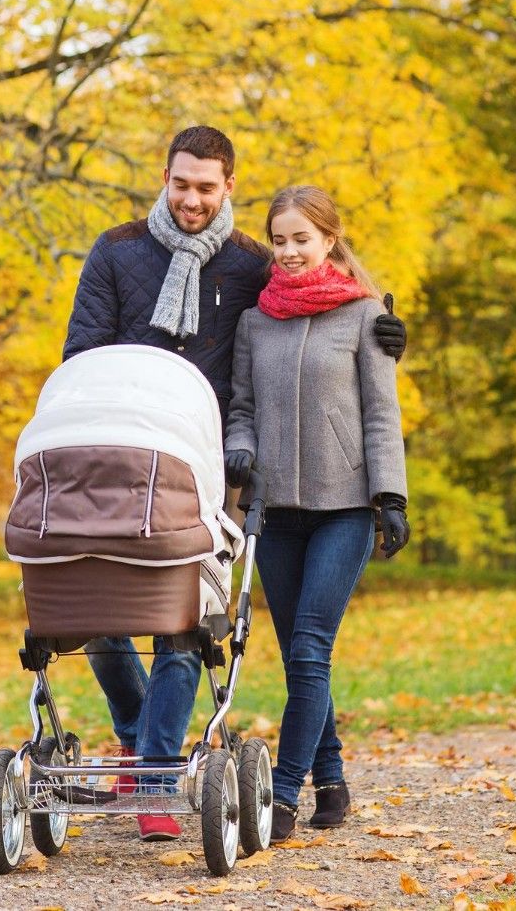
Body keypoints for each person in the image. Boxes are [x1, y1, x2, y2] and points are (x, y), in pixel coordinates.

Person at [62, 128, 407, 840]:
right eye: (182, 184)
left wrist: (387, 336)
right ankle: (137, 736)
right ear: (165, 177)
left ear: (227, 189)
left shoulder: (250, 264)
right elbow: (81, 353)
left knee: (191, 627)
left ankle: (160, 774)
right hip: (121, 458)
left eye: (206, 187)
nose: (192, 199)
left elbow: (316, 291)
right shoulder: (116, 251)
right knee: (99, 618)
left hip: (209, 473)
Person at [223, 184, 410, 842]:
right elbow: (240, 408)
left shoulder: (366, 317)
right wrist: (239, 450)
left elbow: (382, 414)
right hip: (274, 509)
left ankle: (282, 794)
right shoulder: (254, 322)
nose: (290, 251)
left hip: (345, 506)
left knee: (308, 648)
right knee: (304, 656)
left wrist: (391, 497)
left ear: (329, 239)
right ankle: (332, 780)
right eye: (279, 240)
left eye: (302, 238)